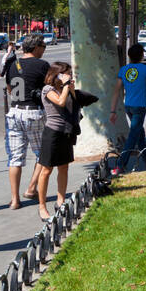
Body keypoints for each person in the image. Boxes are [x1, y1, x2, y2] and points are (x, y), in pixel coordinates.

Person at [34, 62, 96, 221]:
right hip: (52, 134)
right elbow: (60, 102)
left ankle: (60, 200)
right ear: (57, 74)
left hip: (66, 132)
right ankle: (42, 206)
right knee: (46, 170)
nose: (70, 76)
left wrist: (71, 89)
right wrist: (67, 86)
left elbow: (75, 103)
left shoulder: (65, 89)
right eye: (67, 73)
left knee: (64, 167)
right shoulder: (48, 89)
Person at [1, 34, 49, 209]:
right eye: (43, 46)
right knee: (43, 153)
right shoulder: (42, 65)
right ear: (36, 47)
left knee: (14, 158)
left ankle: (14, 199)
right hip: (34, 113)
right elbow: (49, 87)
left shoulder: (13, 64)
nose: (44, 49)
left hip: (14, 112)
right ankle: (31, 188)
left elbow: (9, 88)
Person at [110, 42, 146, 168]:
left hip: (129, 106)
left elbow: (116, 91)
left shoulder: (123, 70)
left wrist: (113, 111)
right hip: (139, 107)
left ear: (129, 56)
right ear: (142, 55)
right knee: (133, 136)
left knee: (139, 135)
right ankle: (120, 165)